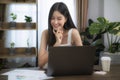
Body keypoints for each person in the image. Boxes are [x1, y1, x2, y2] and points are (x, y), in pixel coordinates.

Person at [38, 2, 83, 69]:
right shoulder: (45, 33)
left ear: (66, 19)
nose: (55, 22)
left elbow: (82, 59)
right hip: (49, 71)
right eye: (52, 18)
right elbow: (40, 63)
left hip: (68, 71)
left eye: (59, 19)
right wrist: (57, 44)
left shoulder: (73, 33)